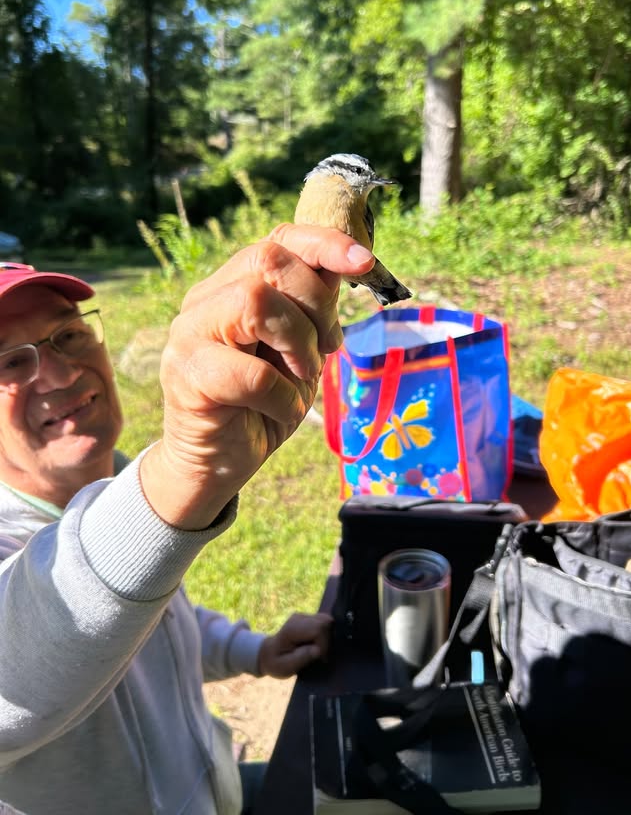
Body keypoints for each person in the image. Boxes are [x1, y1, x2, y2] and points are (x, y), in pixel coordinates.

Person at [0, 224, 377, 815]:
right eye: (9, 364)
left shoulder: (114, 492)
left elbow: (155, 622)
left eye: (67, 335)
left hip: (217, 794)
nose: (60, 373)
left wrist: (254, 650)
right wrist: (180, 474)